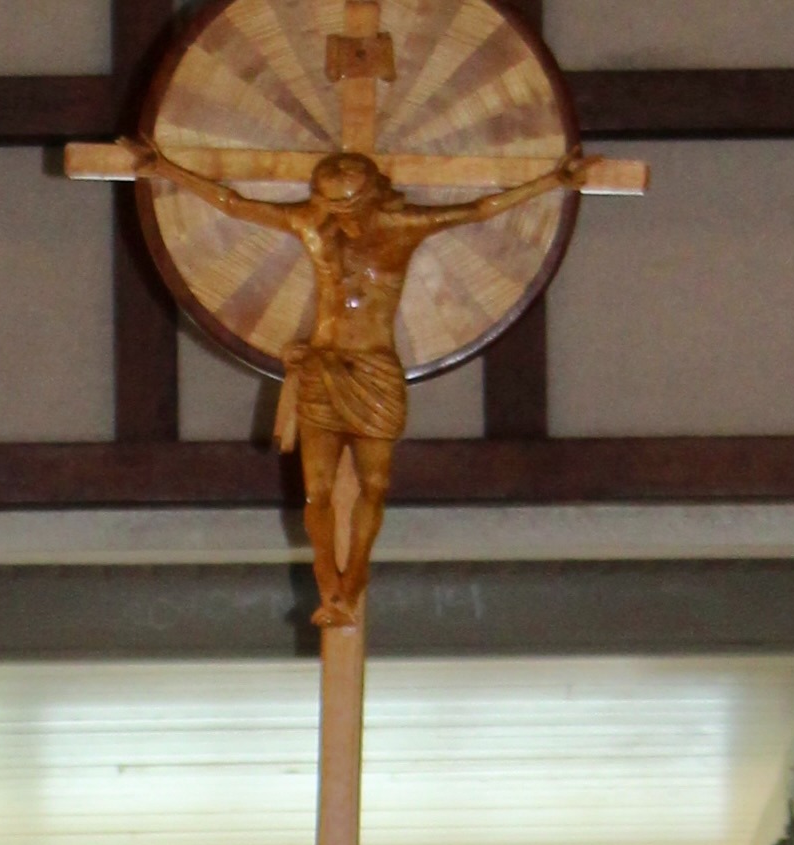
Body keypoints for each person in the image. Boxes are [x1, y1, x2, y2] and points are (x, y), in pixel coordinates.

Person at [120, 141, 592, 624]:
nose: (337, 216)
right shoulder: (310, 224)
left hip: (374, 369)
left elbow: (478, 209)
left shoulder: (403, 227)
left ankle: (356, 575)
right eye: (329, 204)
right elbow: (234, 204)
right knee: (317, 490)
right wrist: (164, 169)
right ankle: (329, 586)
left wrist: (552, 182)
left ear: (371, 195)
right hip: (321, 364)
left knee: (375, 484)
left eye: (346, 206)